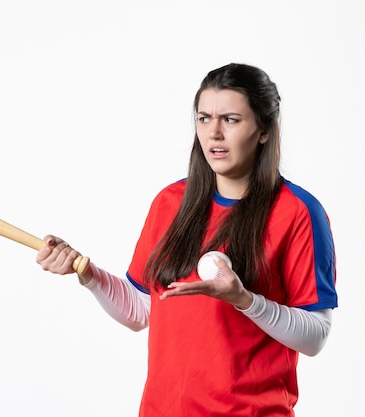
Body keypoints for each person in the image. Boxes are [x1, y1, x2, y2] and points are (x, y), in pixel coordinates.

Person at [36, 63, 338, 417]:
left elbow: (316, 336)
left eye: (231, 119)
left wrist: (244, 300)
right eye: (204, 118)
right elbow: (141, 309)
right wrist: (84, 271)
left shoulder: (299, 211)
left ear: (264, 131)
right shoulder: (170, 203)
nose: (214, 133)